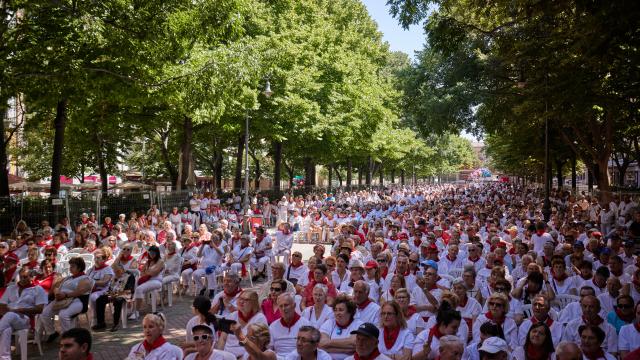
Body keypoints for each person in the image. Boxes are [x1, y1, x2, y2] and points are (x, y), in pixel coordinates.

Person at [39, 257, 92, 343]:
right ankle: (52, 333)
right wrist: (56, 293)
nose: (70, 268)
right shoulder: (68, 278)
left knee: (63, 314)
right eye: (70, 266)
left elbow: (79, 292)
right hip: (62, 299)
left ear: (79, 268)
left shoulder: (85, 279)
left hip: (78, 300)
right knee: (45, 313)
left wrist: (65, 295)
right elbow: (56, 287)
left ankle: (68, 338)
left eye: (73, 266)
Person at [0, 265, 48, 359]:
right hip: (8, 318)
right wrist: (6, 311)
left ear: (31, 277)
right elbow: (1, 305)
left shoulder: (37, 289)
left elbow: (39, 309)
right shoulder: (11, 288)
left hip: (25, 319)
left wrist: (21, 310)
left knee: (10, 315)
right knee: (6, 330)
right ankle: (4, 358)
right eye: (21, 277)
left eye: (25, 277)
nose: (22, 279)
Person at [219, 290, 268, 357]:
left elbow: (259, 346)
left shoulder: (259, 319)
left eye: (246, 300)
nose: (241, 301)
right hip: (226, 356)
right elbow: (223, 339)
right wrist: (219, 355)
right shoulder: (232, 316)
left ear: (253, 303)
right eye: (240, 298)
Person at [92, 262, 134, 332]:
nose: (116, 273)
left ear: (122, 269)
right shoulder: (115, 276)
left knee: (117, 300)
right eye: (115, 271)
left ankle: (116, 323)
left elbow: (129, 290)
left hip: (124, 294)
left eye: (117, 271)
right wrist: (109, 295)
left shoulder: (129, 276)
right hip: (113, 294)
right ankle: (101, 323)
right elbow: (110, 288)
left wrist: (115, 295)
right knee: (99, 300)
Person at [319, 294, 362, 360]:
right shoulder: (329, 322)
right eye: (335, 310)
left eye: (341, 310)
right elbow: (320, 343)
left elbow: (354, 344)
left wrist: (328, 343)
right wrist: (345, 350)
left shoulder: (358, 324)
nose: (337, 313)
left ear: (349, 312)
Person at [130, 245, 164, 320]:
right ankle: (133, 308)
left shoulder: (160, 261)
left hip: (156, 281)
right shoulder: (149, 261)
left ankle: (136, 311)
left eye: (153, 253)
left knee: (139, 289)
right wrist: (148, 272)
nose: (151, 254)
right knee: (134, 286)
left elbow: (154, 273)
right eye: (150, 253)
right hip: (147, 280)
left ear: (157, 253)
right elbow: (141, 271)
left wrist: (147, 272)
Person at [87, 249, 114, 325]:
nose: (96, 260)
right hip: (91, 289)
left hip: (104, 290)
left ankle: (95, 318)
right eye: (95, 258)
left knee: (93, 297)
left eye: (98, 258)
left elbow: (104, 282)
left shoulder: (107, 269)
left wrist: (92, 282)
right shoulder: (91, 270)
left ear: (104, 259)